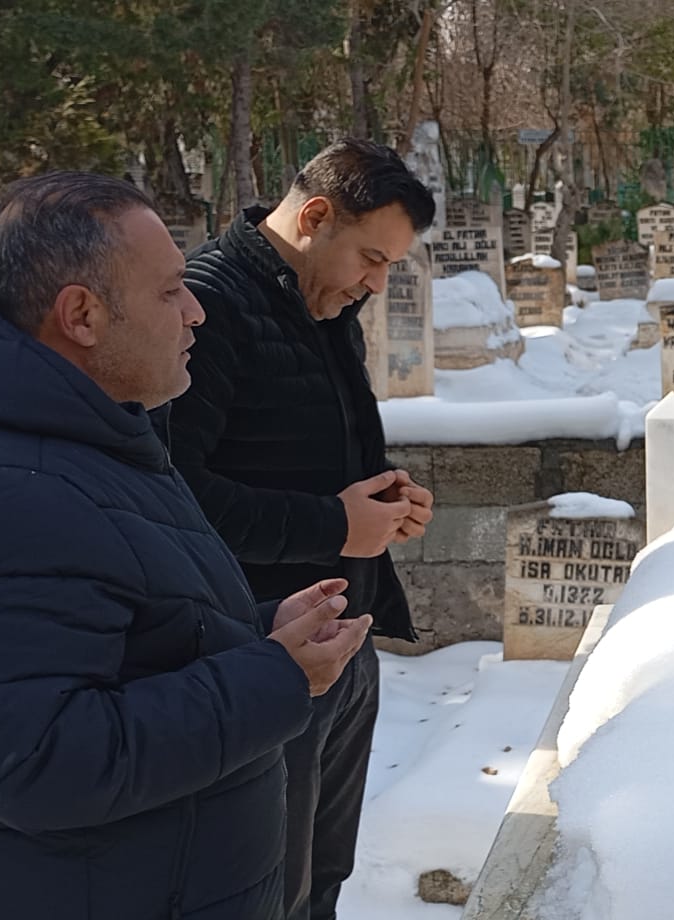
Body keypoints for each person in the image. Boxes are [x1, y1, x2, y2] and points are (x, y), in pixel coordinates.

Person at [0, 171, 370, 919]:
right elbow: (41, 761)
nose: (196, 311)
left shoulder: (86, 441)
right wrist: (272, 678)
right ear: (82, 314)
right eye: (170, 292)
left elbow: (120, 632)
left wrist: (260, 634)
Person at [159, 138, 436, 920]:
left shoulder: (324, 298)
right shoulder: (209, 306)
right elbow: (174, 496)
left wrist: (388, 499)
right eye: (371, 259)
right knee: (267, 888)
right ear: (314, 216)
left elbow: (318, 453)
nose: (377, 284)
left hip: (343, 636)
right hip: (255, 645)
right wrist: (336, 523)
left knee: (322, 878)